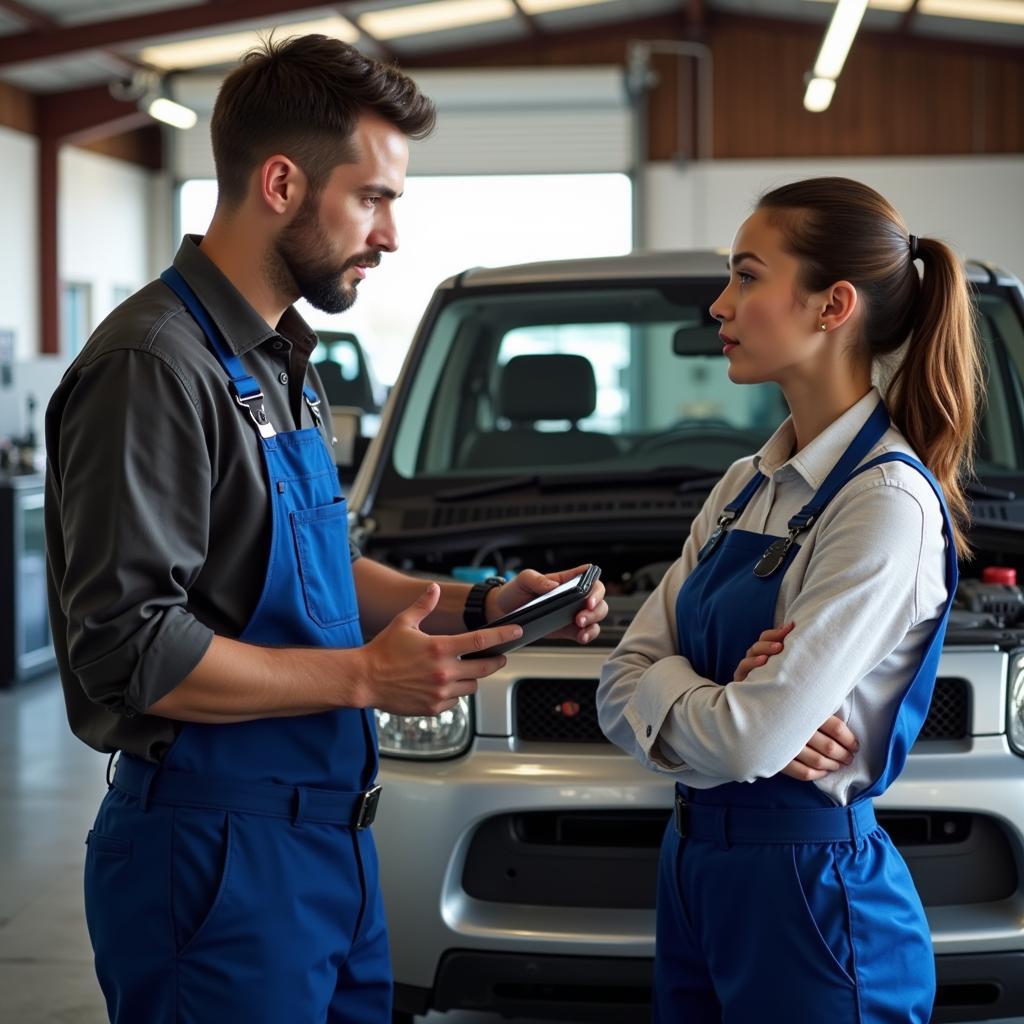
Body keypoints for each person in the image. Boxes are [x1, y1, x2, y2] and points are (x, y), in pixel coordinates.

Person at [44, 35, 607, 1024]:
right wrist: (364, 677)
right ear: (279, 183)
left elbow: (311, 568)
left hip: (330, 853)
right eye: (373, 198)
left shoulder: (277, 358)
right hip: (215, 856)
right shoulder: (154, 368)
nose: (387, 234)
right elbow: (128, 650)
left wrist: (473, 602)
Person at [597, 176, 979, 1023]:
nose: (719, 305)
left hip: (810, 894)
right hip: (693, 872)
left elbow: (748, 741)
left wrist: (691, 692)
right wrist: (718, 696)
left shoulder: (885, 503)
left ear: (830, 305)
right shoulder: (745, 484)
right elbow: (617, 682)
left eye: (745, 275)